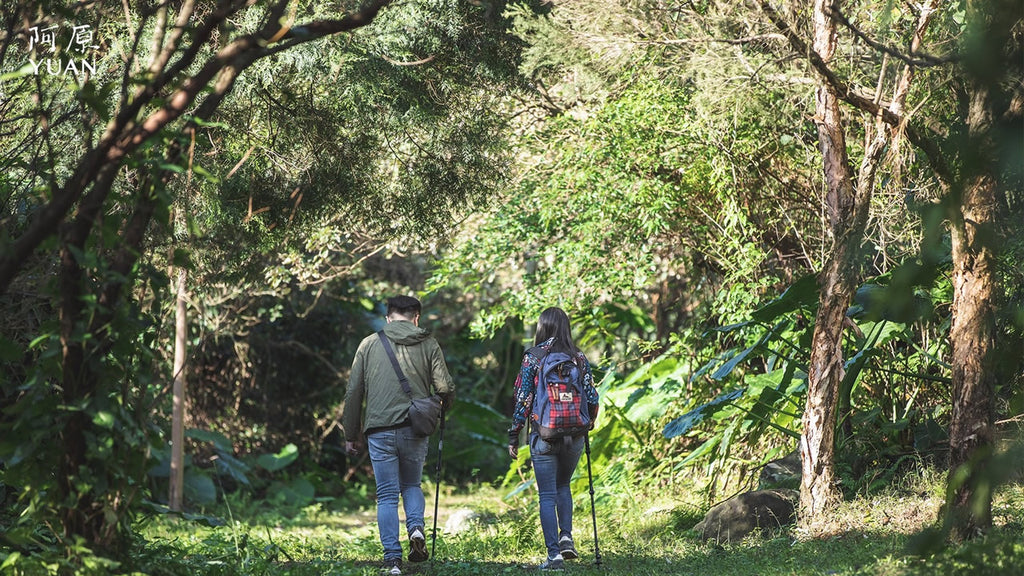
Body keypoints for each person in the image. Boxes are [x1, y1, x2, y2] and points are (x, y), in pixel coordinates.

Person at [343, 296, 454, 576]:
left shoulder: (369, 344)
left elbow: (354, 392)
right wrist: (441, 410)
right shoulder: (428, 343)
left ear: (388, 317)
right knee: (412, 485)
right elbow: (445, 386)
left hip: (379, 429)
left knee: (387, 495)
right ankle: (416, 527)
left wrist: (350, 433)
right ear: (416, 317)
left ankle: (392, 559)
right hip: (415, 427)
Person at [507, 307, 600, 571]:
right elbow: (592, 396)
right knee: (563, 486)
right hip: (575, 434)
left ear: (542, 328)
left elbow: (523, 400)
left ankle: (553, 555)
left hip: (544, 434)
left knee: (546, 494)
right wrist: (589, 421)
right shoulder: (579, 358)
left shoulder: (533, 358)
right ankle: (566, 536)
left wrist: (514, 434)